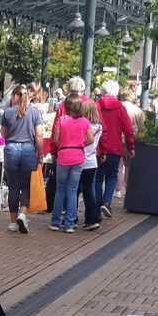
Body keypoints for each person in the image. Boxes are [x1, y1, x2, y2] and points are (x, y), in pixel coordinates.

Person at [0, 84, 44, 234]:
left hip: (11, 149)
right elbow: (39, 135)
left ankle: (12, 222)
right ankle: (23, 213)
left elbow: (3, 135)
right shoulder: (35, 113)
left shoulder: (7, 113)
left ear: (15, 96)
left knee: (13, 187)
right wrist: (41, 153)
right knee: (26, 185)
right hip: (28, 149)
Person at [48, 92, 93, 233]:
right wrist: (80, 144)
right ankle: (69, 223)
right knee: (73, 190)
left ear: (66, 106)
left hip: (64, 154)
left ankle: (55, 222)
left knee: (60, 189)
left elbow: (55, 139)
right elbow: (91, 139)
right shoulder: (85, 122)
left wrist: (64, 144)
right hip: (78, 155)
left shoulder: (62, 120)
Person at [94, 80, 135, 218]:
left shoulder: (96, 106)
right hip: (115, 148)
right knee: (112, 176)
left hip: (99, 148)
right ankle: (106, 202)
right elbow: (128, 130)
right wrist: (131, 147)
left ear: (103, 92)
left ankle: (98, 204)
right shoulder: (120, 108)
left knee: (98, 178)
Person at [78, 98, 104, 231]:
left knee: (74, 191)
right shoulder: (99, 127)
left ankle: (72, 217)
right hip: (92, 161)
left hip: (79, 159)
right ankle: (92, 218)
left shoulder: (82, 125)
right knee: (90, 191)